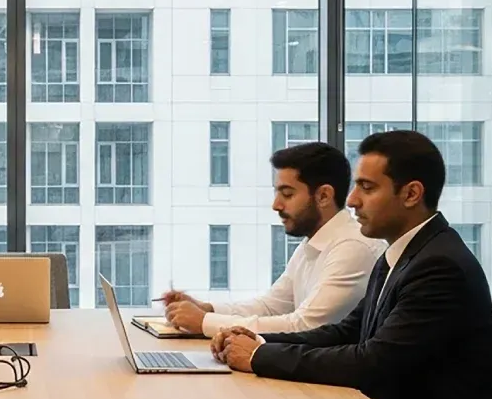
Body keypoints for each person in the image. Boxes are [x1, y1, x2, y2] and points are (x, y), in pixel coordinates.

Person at [212, 130, 492, 399]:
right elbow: (347, 331)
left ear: (411, 194)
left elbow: (373, 363)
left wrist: (259, 356)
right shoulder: (401, 253)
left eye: (367, 188)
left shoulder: (439, 266)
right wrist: (258, 341)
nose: (351, 200)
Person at [161, 142, 383, 337]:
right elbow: (271, 306)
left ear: (323, 196)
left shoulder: (353, 247)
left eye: (287, 194)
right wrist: (208, 309)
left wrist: (204, 322)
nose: (276, 205)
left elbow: (304, 326)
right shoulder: (314, 242)